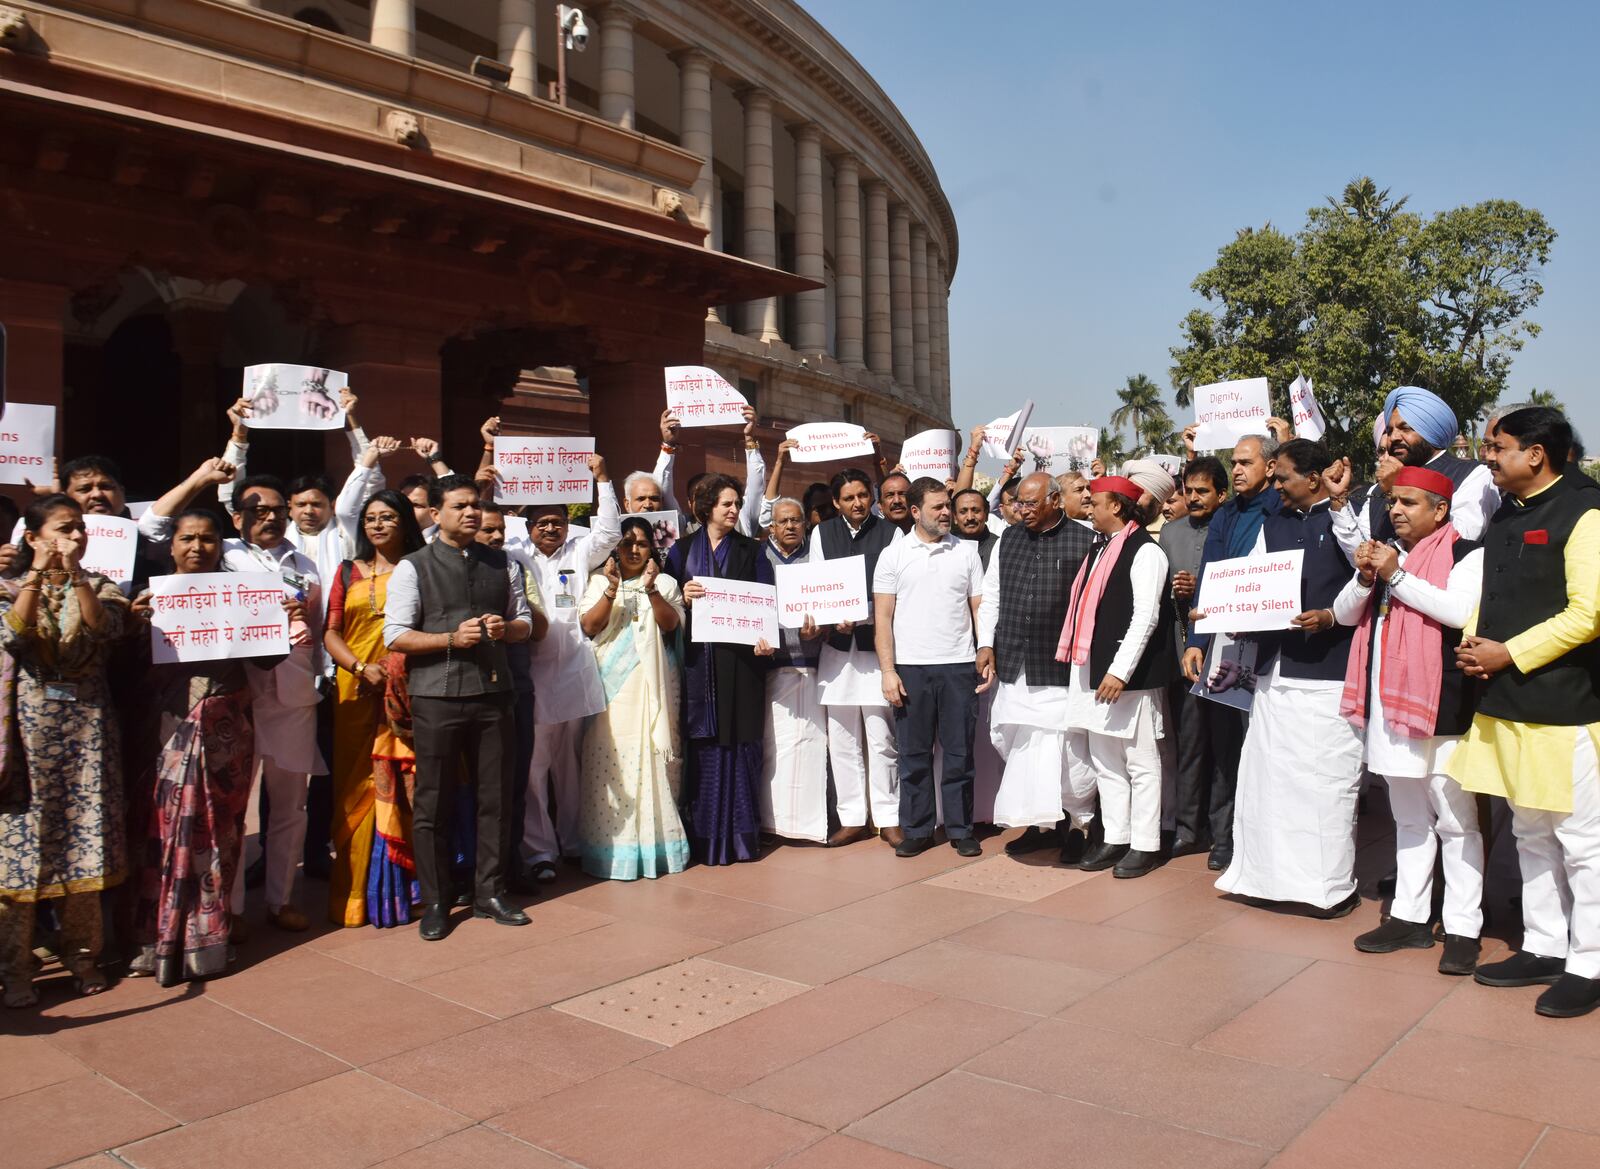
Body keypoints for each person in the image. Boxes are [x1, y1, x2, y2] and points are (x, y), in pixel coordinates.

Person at [1451, 407, 1600, 1018]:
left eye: (1498, 446)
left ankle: (1589, 961)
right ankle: (1543, 943)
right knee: (1530, 832)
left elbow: (1588, 612)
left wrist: (1508, 652)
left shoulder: (1586, 511)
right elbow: (1496, 592)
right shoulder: (1506, 513)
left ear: (1536, 454)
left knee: (1581, 840)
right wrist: (1473, 637)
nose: (1488, 456)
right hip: (1507, 701)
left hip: (1565, 706)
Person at [141, 463, 326, 934]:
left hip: (294, 698)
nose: (269, 517)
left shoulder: (307, 565)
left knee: (290, 808)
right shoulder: (219, 553)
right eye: (256, 509)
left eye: (277, 510)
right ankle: (233, 907)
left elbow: (319, 630)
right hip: (233, 701)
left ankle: (282, 900)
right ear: (236, 517)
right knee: (230, 811)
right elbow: (153, 528)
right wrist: (201, 480)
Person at [1333, 467, 1485, 975]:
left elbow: (1459, 611)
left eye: (1410, 503)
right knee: (1410, 817)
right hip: (1389, 706)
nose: (1396, 510)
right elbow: (1345, 612)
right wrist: (1365, 578)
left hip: (1443, 705)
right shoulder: (1382, 556)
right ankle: (1411, 917)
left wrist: (1396, 575)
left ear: (1440, 510)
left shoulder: (1466, 552)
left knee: (1456, 819)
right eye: (1394, 501)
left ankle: (1463, 926)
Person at [125, 509, 278, 984]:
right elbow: (124, 667)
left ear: (220, 544)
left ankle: (206, 941)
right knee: (161, 831)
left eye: (208, 539)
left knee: (221, 831)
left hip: (225, 727)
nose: (197, 547)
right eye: (187, 539)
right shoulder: (148, 597)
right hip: (165, 729)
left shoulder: (242, 592)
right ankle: (155, 939)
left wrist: (281, 621)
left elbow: (268, 657)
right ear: (170, 546)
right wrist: (133, 628)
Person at [1215, 438, 1363, 917]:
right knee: (1269, 778)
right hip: (1275, 672)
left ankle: (1327, 888)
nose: (1275, 485)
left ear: (1314, 478)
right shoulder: (1272, 522)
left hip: (1329, 672)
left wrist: (1331, 618)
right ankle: (1264, 878)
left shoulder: (1348, 516)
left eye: (1283, 478)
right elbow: (1253, 579)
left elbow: (1367, 573)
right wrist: (1225, 609)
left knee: (1324, 781)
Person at [383, 474, 534, 941]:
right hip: (437, 696)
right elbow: (395, 635)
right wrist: (451, 638)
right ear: (435, 513)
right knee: (433, 802)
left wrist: (506, 630)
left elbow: (526, 621)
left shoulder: (504, 562)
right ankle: (436, 900)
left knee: (496, 797)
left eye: (474, 506)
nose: (470, 514)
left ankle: (489, 892)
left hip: (493, 693)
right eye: (459, 507)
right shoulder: (414, 566)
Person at [0, 495, 127, 1006]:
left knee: (83, 838)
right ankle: (15, 968)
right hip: (27, 733)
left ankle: (81, 952)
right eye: (63, 529)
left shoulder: (100, 585)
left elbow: (105, 629)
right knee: (21, 848)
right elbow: (11, 635)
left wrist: (75, 577)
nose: (75, 538)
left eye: (80, 530)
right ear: (32, 537)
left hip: (86, 730)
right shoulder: (7, 587)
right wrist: (35, 576)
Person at [1057, 476, 1175, 878]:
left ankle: (1145, 844)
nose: (1090, 509)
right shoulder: (1100, 549)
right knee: (1106, 761)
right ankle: (1116, 837)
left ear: (1118, 507)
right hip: (1094, 673)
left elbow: (1146, 617)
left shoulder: (1145, 552)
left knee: (1140, 762)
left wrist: (1119, 672)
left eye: (1096, 502)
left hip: (1130, 677)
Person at [976, 471, 1097, 861]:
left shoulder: (1085, 540)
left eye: (1030, 503)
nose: (1021, 510)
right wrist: (986, 644)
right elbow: (991, 595)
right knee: (1013, 741)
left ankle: (1080, 824)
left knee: (1067, 752)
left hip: (1060, 668)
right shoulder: (1007, 539)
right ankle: (1041, 823)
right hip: (1013, 662)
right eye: (1017, 503)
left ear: (1056, 501)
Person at [322, 490, 427, 926]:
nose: (377, 525)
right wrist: (361, 667)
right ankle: (354, 897)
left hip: (405, 692)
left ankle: (402, 893)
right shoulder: (348, 571)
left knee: (405, 785)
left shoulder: (421, 567)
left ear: (404, 521)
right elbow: (330, 633)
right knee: (353, 789)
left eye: (387, 517)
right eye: (370, 519)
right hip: (354, 691)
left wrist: (395, 667)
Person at [1180, 433, 1280, 872]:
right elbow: (1210, 577)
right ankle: (1225, 837)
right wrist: (1197, 641)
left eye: (1245, 462)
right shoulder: (1225, 517)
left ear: (1271, 467)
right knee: (1225, 746)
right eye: (1234, 463)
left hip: (1273, 644)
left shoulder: (1281, 510)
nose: (1237, 469)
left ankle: (1265, 836)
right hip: (1227, 645)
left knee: (1265, 744)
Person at [874, 477, 987, 857]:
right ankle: (918, 829)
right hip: (911, 669)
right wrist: (888, 671)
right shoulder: (894, 555)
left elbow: (978, 609)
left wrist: (985, 651)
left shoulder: (967, 552)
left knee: (959, 754)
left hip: (958, 666)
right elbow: (883, 619)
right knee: (914, 755)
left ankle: (960, 828)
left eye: (947, 505)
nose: (946, 512)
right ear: (916, 511)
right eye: (938, 506)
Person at [666, 474, 775, 865]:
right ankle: (705, 837)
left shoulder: (752, 550)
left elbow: (767, 602)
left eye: (736, 503)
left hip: (743, 665)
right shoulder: (680, 552)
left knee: (742, 744)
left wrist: (767, 639)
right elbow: (665, 607)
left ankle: (743, 838)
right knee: (704, 747)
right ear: (706, 506)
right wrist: (683, 597)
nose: (733, 510)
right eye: (726, 503)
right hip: (700, 664)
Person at [520, 453, 619, 880]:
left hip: (574, 671)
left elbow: (611, 530)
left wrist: (602, 478)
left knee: (570, 766)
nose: (549, 528)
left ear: (567, 524)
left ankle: (574, 842)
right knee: (534, 769)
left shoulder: (579, 551)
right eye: (541, 522)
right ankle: (540, 851)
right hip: (534, 674)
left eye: (557, 521)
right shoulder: (516, 554)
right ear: (528, 529)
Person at [577, 516, 688, 878]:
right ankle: (612, 851)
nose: (634, 549)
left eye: (641, 543)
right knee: (614, 759)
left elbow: (670, 625)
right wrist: (611, 590)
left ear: (652, 548)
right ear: (615, 549)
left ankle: (660, 849)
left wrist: (652, 589)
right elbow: (590, 627)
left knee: (655, 760)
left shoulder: (666, 583)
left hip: (654, 685)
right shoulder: (597, 582)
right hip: (611, 689)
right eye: (627, 543)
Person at [809, 469, 902, 847]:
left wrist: (860, 613)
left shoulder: (890, 533)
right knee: (842, 740)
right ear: (836, 502)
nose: (858, 503)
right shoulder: (822, 533)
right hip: (835, 651)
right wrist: (831, 617)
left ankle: (889, 816)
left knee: (881, 738)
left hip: (874, 648)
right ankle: (851, 817)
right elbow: (816, 586)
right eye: (849, 498)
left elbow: (894, 591)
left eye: (863, 495)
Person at [1327, 385, 1500, 552]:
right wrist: (1338, 499)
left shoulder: (1475, 475)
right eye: (1389, 429)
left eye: (1405, 428)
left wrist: (1401, 488)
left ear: (1430, 431)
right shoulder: (1379, 488)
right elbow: (1358, 553)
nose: (1393, 437)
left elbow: (1457, 540)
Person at [1161, 456, 1227, 858]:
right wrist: (1178, 592)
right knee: (1189, 744)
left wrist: (1202, 587)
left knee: (1222, 745)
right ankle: (1188, 827)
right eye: (1189, 490)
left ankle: (1222, 831)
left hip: (1227, 651)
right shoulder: (1170, 533)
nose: (1194, 498)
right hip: (1182, 650)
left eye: (1203, 491)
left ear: (1222, 494)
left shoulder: (1234, 526)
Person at [760, 496, 828, 843]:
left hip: (813, 666)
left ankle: (810, 828)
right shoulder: (759, 559)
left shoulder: (817, 560)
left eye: (796, 521)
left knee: (814, 745)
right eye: (783, 521)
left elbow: (831, 603)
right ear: (771, 526)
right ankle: (773, 825)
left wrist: (824, 626)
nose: (790, 527)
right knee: (776, 747)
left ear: (806, 524)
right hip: (774, 668)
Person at [952, 488, 998, 569]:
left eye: (976, 511)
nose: (970, 517)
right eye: (963, 512)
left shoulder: (999, 547)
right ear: (955, 517)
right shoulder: (946, 546)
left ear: (986, 515)